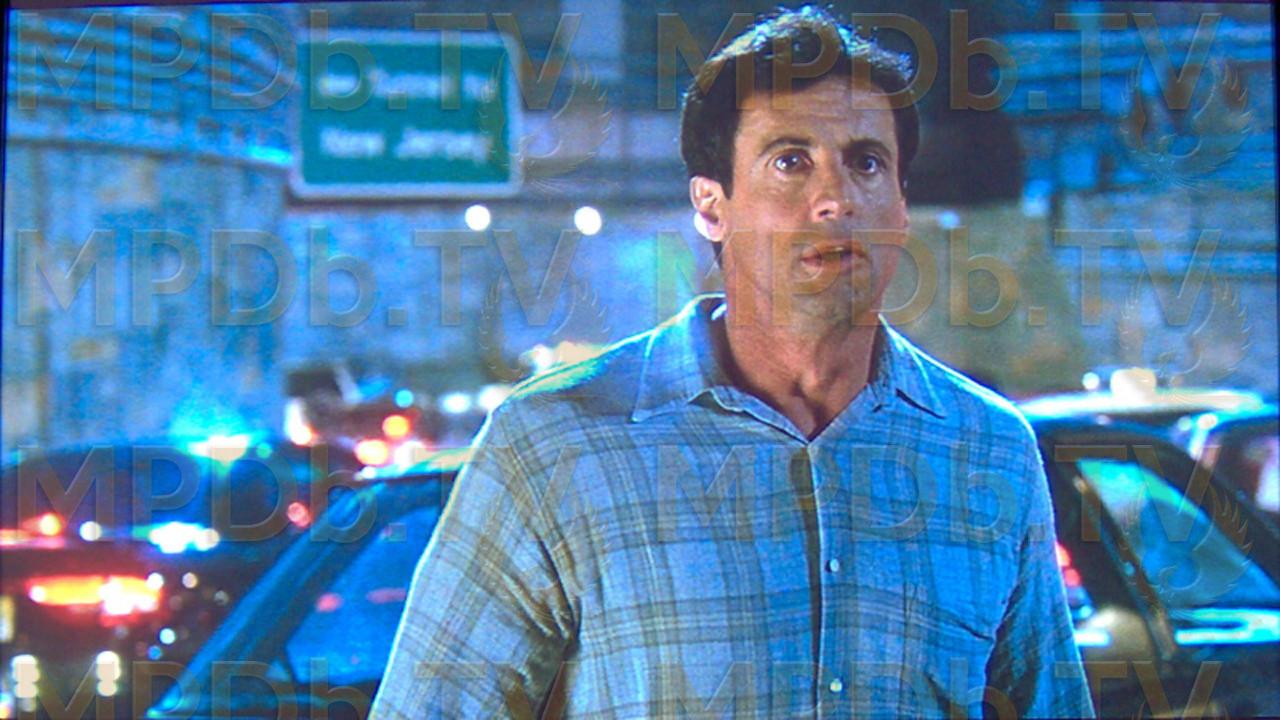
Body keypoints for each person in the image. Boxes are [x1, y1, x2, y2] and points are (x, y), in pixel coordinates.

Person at [372, 7, 1093, 718]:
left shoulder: (986, 449)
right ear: (712, 206)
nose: (836, 199)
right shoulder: (555, 445)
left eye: (866, 163)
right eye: (790, 162)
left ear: (902, 204)